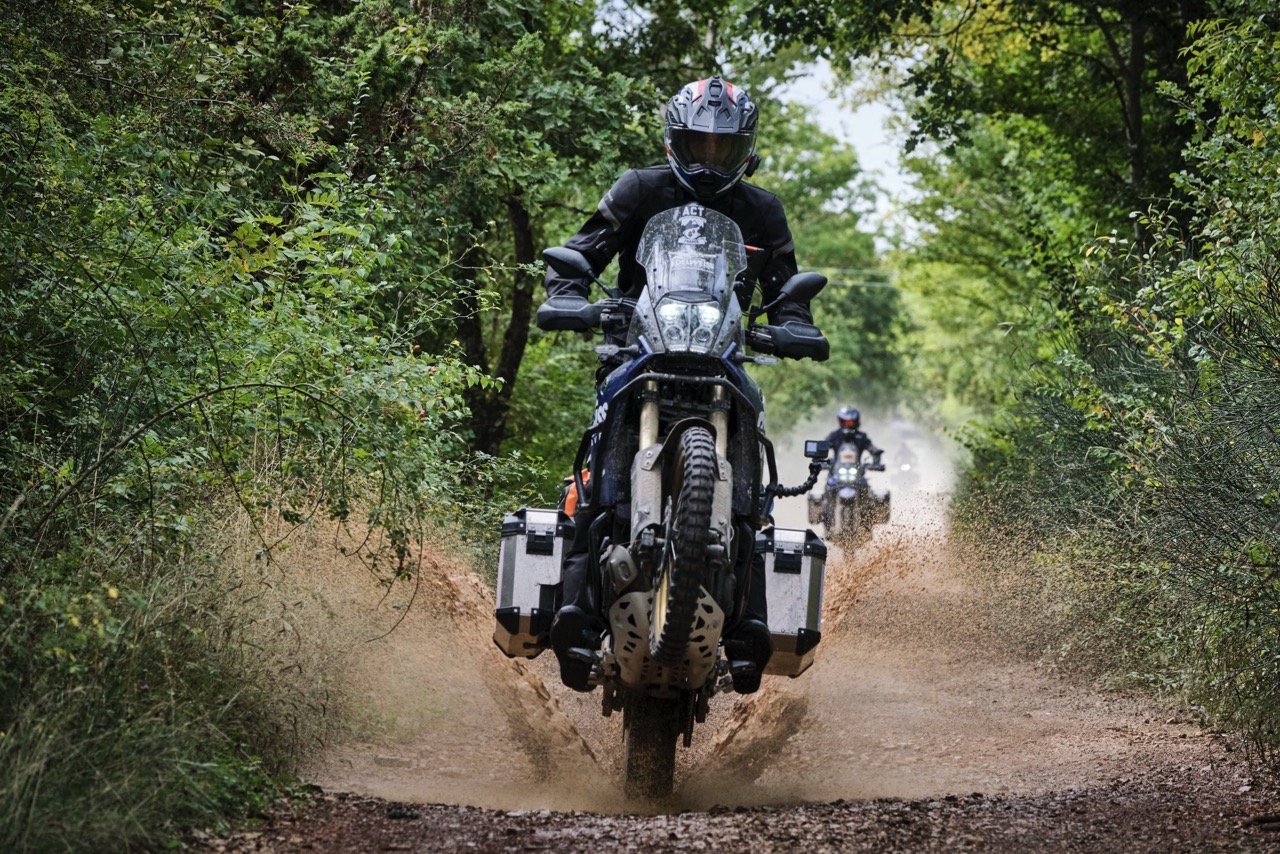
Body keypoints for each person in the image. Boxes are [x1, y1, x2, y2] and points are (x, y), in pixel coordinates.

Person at [539, 75, 827, 694]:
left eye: (724, 147)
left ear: (746, 148)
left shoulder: (762, 210)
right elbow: (583, 251)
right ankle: (576, 610)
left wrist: (795, 323)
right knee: (592, 478)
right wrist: (568, 291)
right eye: (700, 144)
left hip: (723, 356)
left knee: (754, 482)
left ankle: (749, 621)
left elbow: (786, 290)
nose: (710, 158)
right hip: (638, 347)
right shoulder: (639, 189)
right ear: (675, 140)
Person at [825, 406, 882, 470]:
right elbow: (823, 447)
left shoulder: (862, 436)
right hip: (835, 471)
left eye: (851, 422)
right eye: (845, 422)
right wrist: (820, 460)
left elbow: (871, 448)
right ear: (840, 421)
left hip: (857, 471)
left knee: (863, 477)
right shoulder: (834, 435)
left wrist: (876, 459)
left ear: (856, 421)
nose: (847, 425)